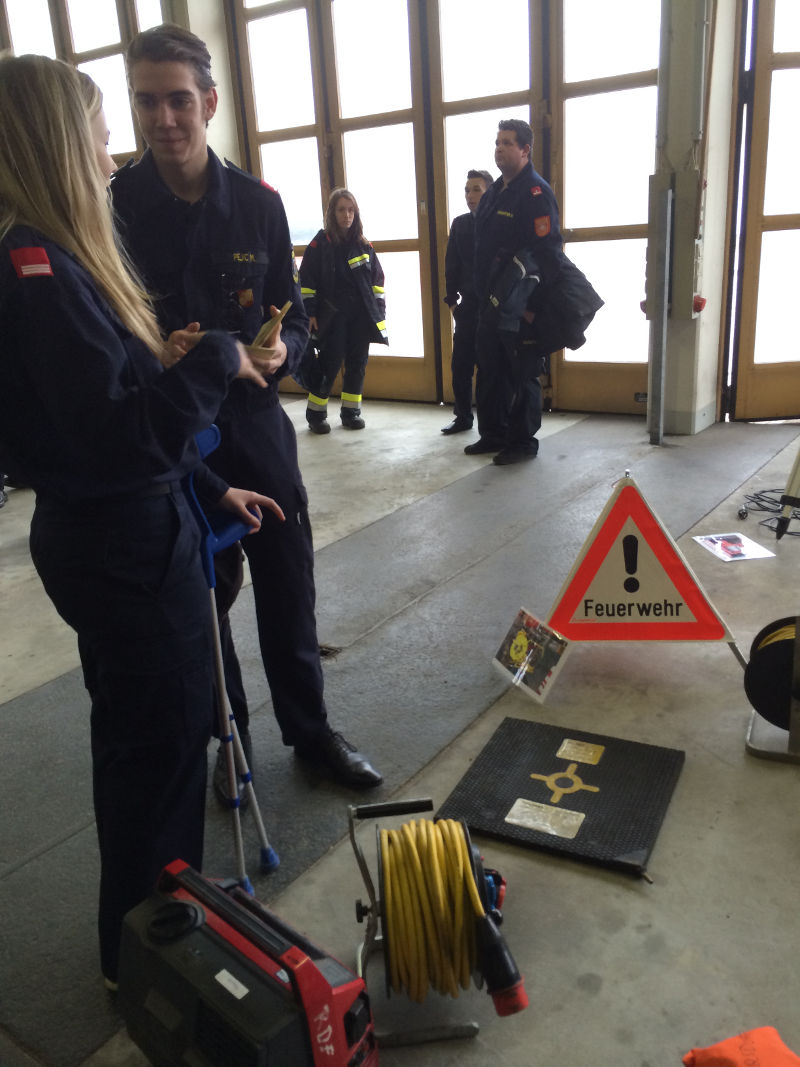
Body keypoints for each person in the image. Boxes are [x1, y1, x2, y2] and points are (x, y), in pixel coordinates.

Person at [0, 55, 283, 987]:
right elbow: (125, 441)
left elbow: (118, 420)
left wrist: (208, 490)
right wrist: (221, 357)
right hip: (120, 548)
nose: (108, 147)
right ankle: (150, 954)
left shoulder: (48, 258)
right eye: (94, 130)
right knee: (156, 752)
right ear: (55, 142)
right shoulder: (36, 268)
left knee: (143, 738)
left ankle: (148, 928)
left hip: (128, 526)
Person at [111, 25, 382, 797]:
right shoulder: (116, 208)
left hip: (256, 424)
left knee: (287, 579)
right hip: (174, 438)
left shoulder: (260, 205)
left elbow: (294, 316)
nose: (164, 118)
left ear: (211, 102)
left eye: (179, 100)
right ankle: (228, 737)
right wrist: (157, 350)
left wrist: (284, 352)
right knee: (201, 594)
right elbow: (107, 334)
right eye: (146, 102)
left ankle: (311, 730)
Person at [467, 119, 564, 465]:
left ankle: (523, 441)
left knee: (522, 372)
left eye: (507, 143)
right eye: (497, 142)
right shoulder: (495, 192)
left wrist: (532, 307)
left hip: (520, 305)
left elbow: (548, 254)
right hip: (489, 303)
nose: (499, 148)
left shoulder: (535, 193)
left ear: (525, 150)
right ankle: (493, 433)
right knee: (490, 369)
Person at [299, 188, 388, 433]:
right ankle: (315, 415)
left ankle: (351, 413)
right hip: (332, 316)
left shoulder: (363, 245)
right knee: (330, 361)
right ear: (332, 213)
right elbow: (306, 281)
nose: (347, 215)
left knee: (358, 363)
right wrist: (311, 312)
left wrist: (378, 312)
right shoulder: (320, 244)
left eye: (351, 210)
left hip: (360, 315)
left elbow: (377, 282)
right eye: (341, 210)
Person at [441, 168, 493, 435]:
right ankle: (462, 417)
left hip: (493, 306)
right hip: (467, 305)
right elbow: (452, 264)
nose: (470, 195)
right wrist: (452, 302)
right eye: (467, 190)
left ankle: (489, 423)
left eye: (476, 189)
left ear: (489, 192)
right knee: (460, 364)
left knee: (487, 367)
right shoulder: (460, 224)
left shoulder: (497, 222)